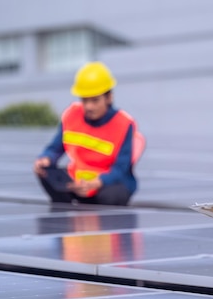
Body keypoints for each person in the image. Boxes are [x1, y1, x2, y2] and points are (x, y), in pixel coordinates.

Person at [34, 61, 144, 206]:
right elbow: (55, 148)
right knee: (46, 172)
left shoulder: (124, 124)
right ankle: (63, 210)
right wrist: (45, 159)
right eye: (84, 100)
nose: (88, 106)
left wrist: (97, 182)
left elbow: (120, 169)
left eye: (95, 100)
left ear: (109, 97)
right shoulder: (71, 116)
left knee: (113, 195)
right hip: (77, 181)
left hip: (106, 184)